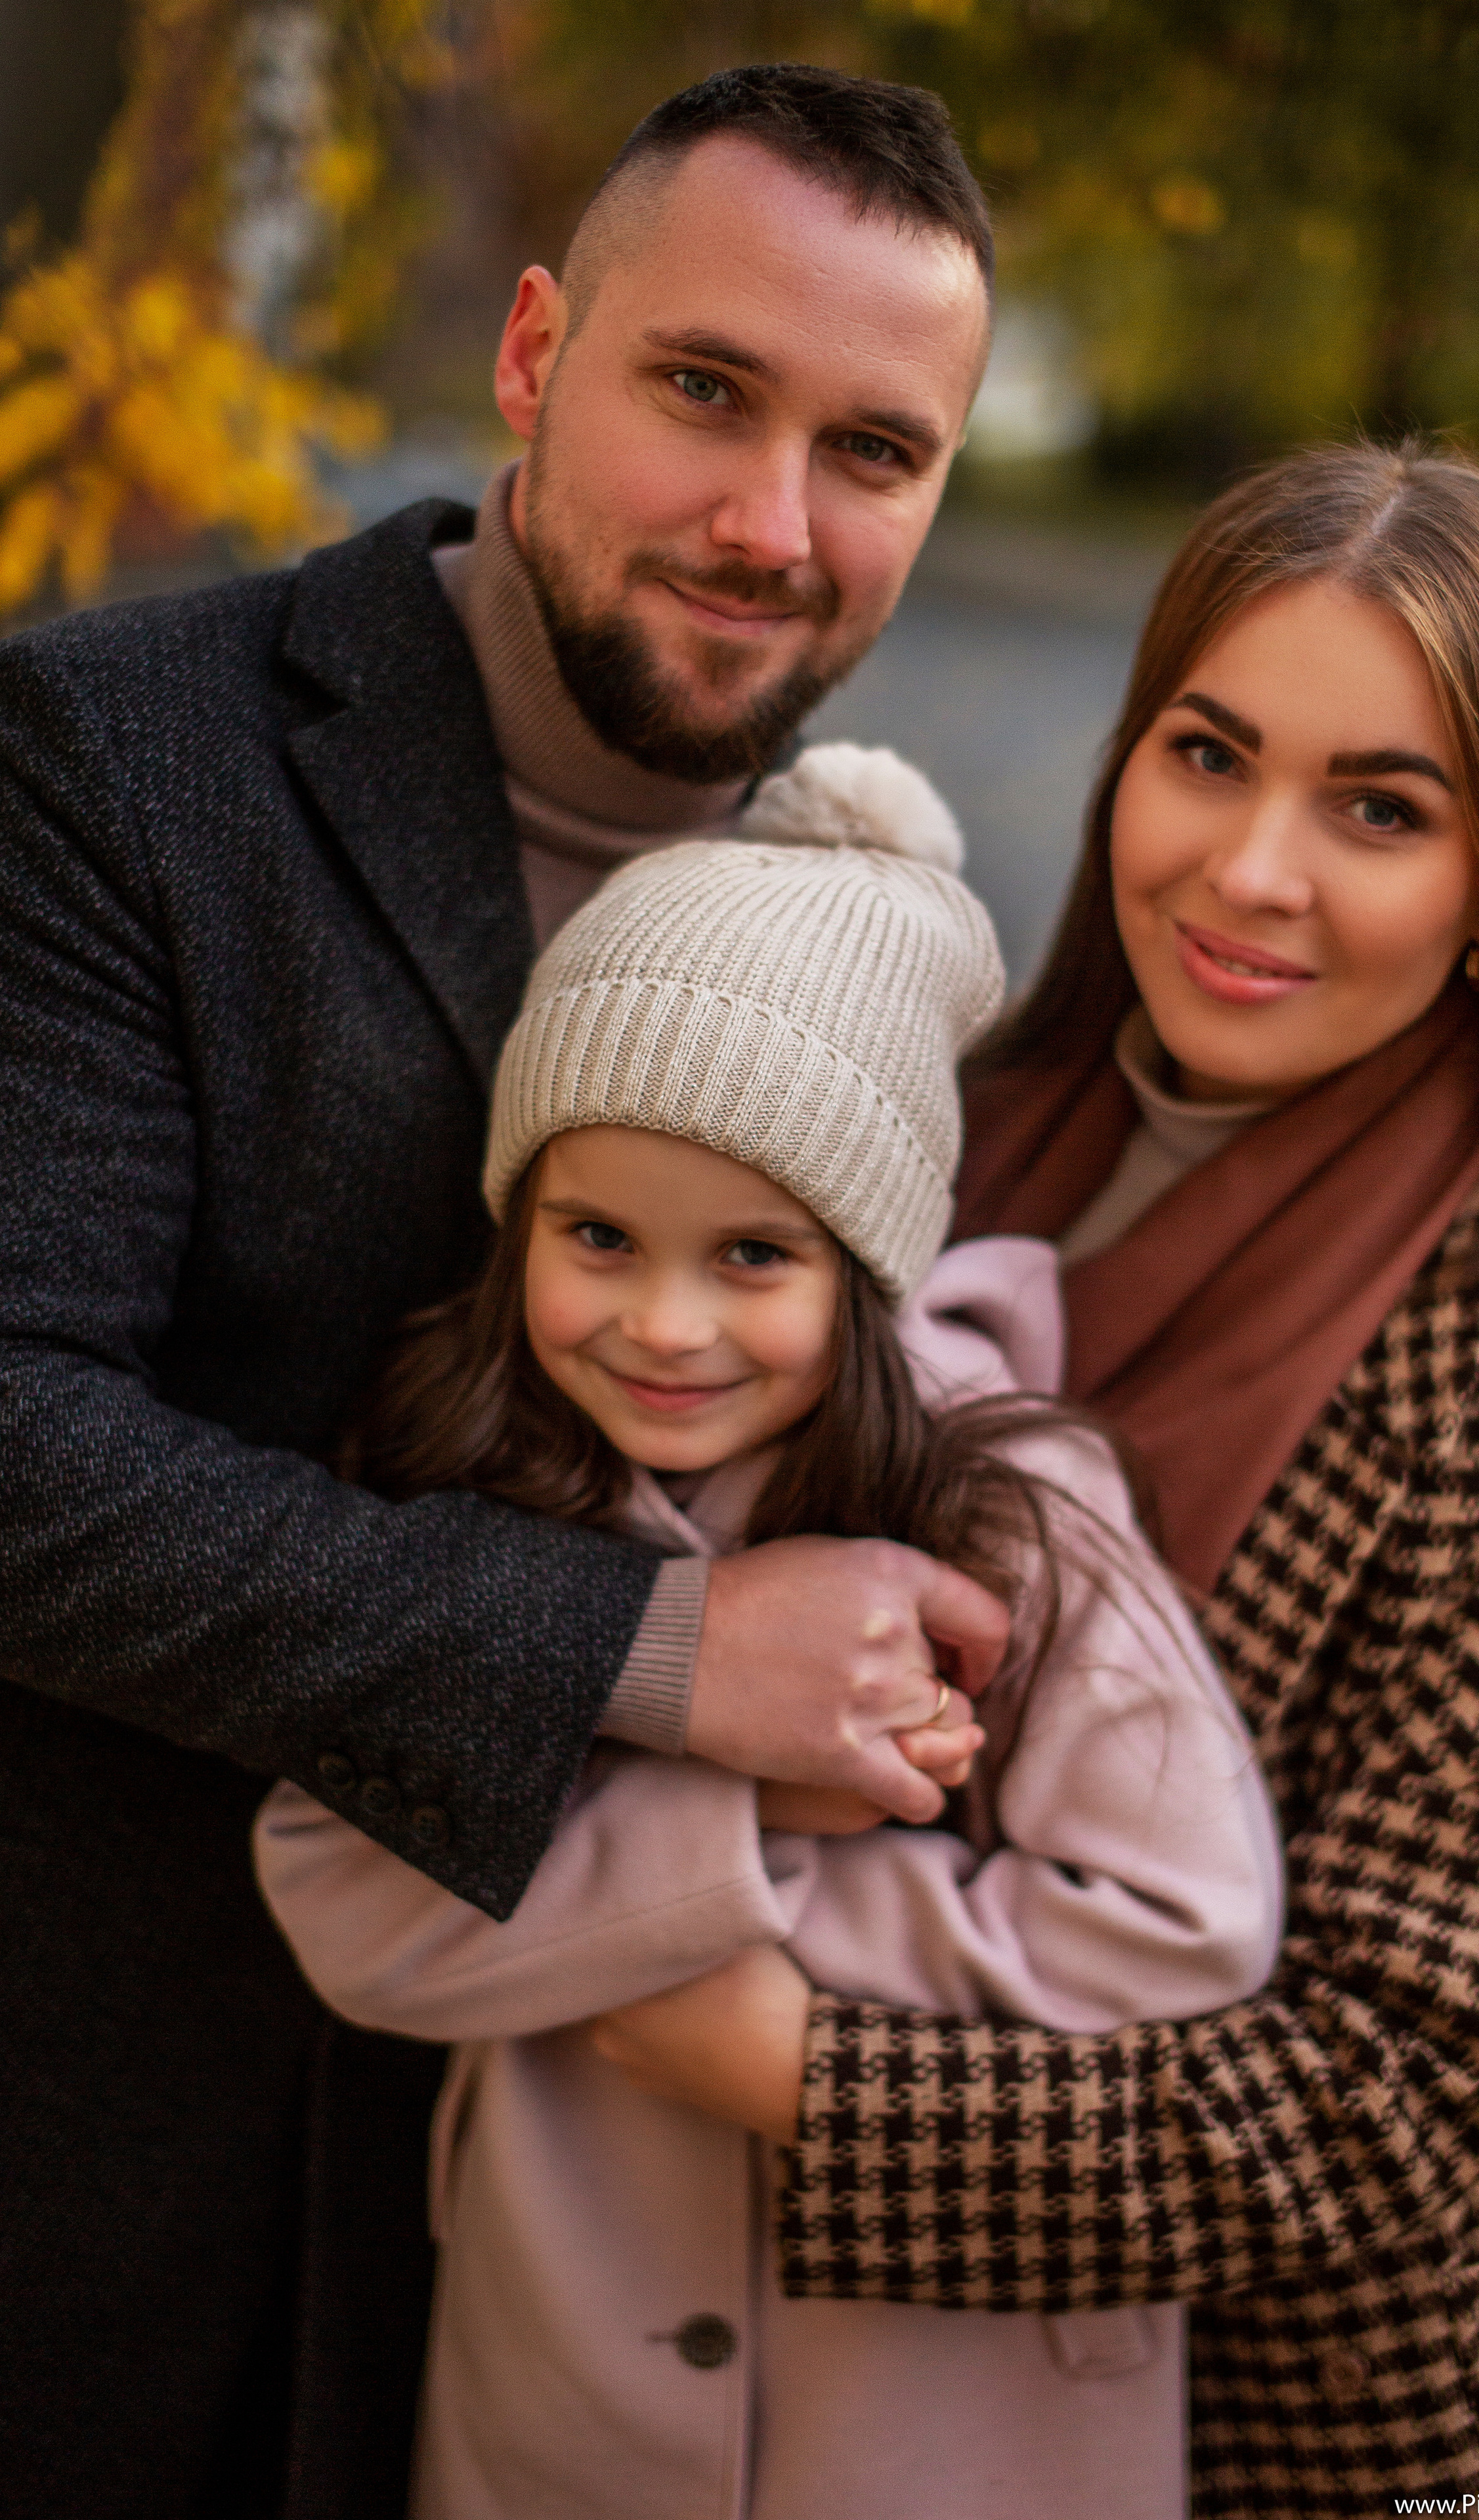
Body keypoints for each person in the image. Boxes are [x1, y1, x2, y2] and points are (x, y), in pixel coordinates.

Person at [0, 66, 1003, 2520]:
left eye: (874, 450)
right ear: (537, 352)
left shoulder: (890, 925)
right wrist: (657, 1660)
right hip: (131, 2190)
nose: (773, 528)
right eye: (703, 392)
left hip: (615, 2275)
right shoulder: (113, 758)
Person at [582, 440, 1479, 2513]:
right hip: (813, 2386)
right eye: (1210, 754)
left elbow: (1402, 2098)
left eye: (1380, 809)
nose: (1252, 871)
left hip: (1324, 2432)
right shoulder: (923, 1143)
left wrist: (797, 2075)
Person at [253, 740, 1283, 2520]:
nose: (663, 1324)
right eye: (598, 1236)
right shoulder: (477, 1492)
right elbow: (342, 1899)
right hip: (562, 2397)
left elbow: (1185, 1927)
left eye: (753, 1257)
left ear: (867, 1268)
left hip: (951, 2424)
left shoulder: (1016, 1516)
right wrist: (744, 1818)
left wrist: (721, 1925)